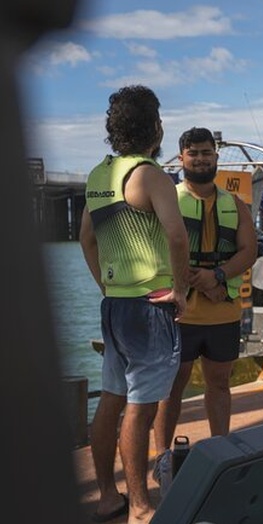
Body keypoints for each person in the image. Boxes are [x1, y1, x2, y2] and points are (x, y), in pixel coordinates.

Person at [79, 85, 189, 524]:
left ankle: (109, 497)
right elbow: (177, 236)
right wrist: (180, 290)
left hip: (116, 305)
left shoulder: (98, 176)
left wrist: (105, 287)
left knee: (111, 399)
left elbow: (87, 239)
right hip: (150, 305)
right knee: (141, 408)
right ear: (156, 127)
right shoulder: (149, 174)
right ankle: (141, 507)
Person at [152, 127, 257, 484]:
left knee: (219, 383)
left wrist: (219, 275)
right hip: (178, 313)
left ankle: (221, 451)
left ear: (216, 156)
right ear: (181, 157)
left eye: (207, 153)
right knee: (172, 387)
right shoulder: (169, 199)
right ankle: (161, 457)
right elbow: (156, 249)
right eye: (193, 153)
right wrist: (199, 279)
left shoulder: (235, 204)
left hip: (223, 313)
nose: (200, 159)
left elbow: (248, 251)